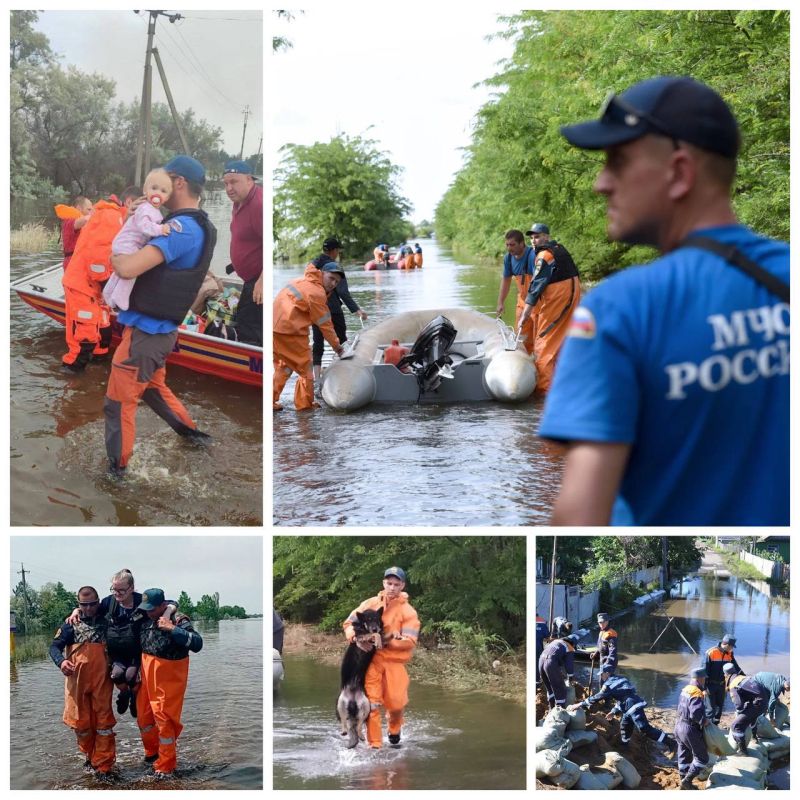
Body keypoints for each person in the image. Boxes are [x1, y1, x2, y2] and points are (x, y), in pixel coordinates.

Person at [538, 76, 789, 526]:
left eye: (618, 162)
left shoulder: (620, 311)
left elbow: (581, 512)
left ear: (679, 173)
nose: (601, 183)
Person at [104, 155, 216, 478]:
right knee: (153, 390)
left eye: (164, 182)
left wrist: (115, 247)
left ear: (178, 183)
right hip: (158, 332)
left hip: (147, 334)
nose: (159, 188)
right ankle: (196, 439)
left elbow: (125, 267)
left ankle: (117, 475)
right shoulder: (197, 225)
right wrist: (139, 216)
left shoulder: (180, 228)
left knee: (118, 403)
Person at [65, 569, 176, 717]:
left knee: (131, 677)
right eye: (114, 590)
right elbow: (89, 607)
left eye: (121, 591)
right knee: (117, 675)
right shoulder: (108, 602)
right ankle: (124, 694)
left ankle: (134, 697)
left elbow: (171, 603)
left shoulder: (141, 601)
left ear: (131, 588)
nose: (117, 594)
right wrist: (75, 611)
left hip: (135, 652)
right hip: (116, 653)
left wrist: (168, 614)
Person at [61, 189, 139, 373]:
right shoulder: (110, 216)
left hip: (96, 285)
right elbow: (98, 258)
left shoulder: (117, 218)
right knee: (84, 337)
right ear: (129, 203)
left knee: (103, 333)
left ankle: (96, 375)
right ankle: (72, 379)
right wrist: (109, 288)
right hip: (83, 284)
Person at [342, 566, 420, 749]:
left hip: (394, 663)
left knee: (396, 704)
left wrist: (391, 640)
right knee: (372, 705)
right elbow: (349, 623)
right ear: (383, 583)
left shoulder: (408, 612)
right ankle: (375, 744)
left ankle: (394, 728)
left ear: (402, 585)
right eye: (389, 583)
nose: (392, 587)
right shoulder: (368, 604)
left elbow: (410, 641)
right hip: (372, 662)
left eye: (396, 584)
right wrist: (355, 639)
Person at [49, 586, 117, 778]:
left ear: (99, 602)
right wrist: (61, 662)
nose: (88, 609)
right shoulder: (70, 624)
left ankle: (104, 767)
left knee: (104, 725)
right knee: (81, 724)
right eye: (83, 605)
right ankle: (89, 754)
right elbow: (54, 647)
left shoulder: (107, 621)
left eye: (92, 604)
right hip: (76, 683)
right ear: (78, 605)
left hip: (102, 683)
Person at [136, 588, 203, 778]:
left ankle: (166, 767)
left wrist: (172, 628)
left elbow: (197, 644)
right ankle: (152, 755)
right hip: (147, 673)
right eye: (146, 608)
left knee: (165, 721)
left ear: (163, 605)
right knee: (144, 718)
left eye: (152, 609)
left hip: (169, 677)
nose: (148, 612)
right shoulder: (145, 617)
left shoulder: (179, 619)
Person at [516, 223, 581, 393]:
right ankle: (566, 386)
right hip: (572, 297)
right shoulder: (559, 249)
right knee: (560, 343)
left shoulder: (544, 255)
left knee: (542, 346)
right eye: (531, 237)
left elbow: (536, 285)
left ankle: (544, 396)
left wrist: (525, 314)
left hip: (559, 299)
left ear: (546, 237)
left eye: (537, 237)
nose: (533, 241)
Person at [273, 261, 345, 411]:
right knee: (306, 370)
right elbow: (325, 325)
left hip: (274, 328)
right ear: (322, 273)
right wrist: (338, 347)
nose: (333, 284)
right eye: (331, 278)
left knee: (284, 366)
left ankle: (270, 400)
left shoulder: (301, 280)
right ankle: (305, 408)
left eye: (336, 282)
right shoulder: (317, 293)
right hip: (290, 332)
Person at [103, 168, 173, 311]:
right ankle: (121, 297)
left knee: (119, 273)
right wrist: (161, 229)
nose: (158, 193)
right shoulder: (145, 208)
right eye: (154, 188)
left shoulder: (154, 211)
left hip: (124, 242)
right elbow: (144, 226)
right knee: (133, 268)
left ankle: (109, 292)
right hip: (128, 243)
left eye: (163, 191)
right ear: (145, 191)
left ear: (167, 197)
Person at [569, 671, 676, 750]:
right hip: (628, 705)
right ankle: (624, 745)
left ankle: (670, 742)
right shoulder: (620, 679)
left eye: (601, 675)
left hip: (632, 705)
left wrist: (580, 704)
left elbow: (597, 697)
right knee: (625, 725)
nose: (601, 677)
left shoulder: (608, 685)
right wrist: (614, 711)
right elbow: (622, 696)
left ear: (607, 673)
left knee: (644, 728)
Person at [310, 237, 368, 382]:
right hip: (333, 309)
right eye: (338, 250)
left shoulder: (312, 265)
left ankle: (316, 378)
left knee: (318, 343)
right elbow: (342, 292)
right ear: (334, 251)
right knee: (341, 341)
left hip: (315, 308)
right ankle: (344, 373)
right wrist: (357, 310)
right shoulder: (335, 268)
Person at [223, 159, 262, 345]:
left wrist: (262, 282)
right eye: (226, 183)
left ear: (249, 179)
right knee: (243, 320)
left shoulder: (258, 204)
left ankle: (253, 367)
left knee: (248, 328)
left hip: (257, 281)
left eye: (234, 182)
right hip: (248, 278)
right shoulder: (238, 202)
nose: (229, 188)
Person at [496, 230, 537, 354]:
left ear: (522, 243)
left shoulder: (532, 256)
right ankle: (524, 360)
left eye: (512, 245)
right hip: (522, 301)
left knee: (539, 337)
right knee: (520, 336)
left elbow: (539, 282)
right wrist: (500, 302)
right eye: (507, 245)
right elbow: (506, 281)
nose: (509, 248)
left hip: (538, 302)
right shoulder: (508, 258)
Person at [674, 667, 711, 790]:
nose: (705, 680)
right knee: (702, 758)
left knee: (684, 754)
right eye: (704, 678)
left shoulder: (686, 689)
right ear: (700, 679)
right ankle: (687, 781)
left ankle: (682, 778)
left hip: (678, 725)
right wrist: (704, 721)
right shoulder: (696, 692)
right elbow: (695, 714)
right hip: (689, 729)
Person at [724, 663, 770, 754]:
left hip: (758, 704)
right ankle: (754, 738)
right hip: (763, 700)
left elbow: (739, 705)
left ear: (726, 675)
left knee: (736, 726)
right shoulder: (743, 677)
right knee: (750, 717)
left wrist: (740, 714)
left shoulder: (733, 684)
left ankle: (743, 751)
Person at [704, 634, 741, 724]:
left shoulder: (730, 654)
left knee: (719, 707)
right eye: (732, 647)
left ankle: (715, 726)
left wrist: (743, 677)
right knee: (710, 709)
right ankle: (707, 730)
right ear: (727, 645)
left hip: (722, 685)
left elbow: (735, 667)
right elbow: (704, 671)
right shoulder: (711, 653)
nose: (732, 649)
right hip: (710, 685)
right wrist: (704, 688)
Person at [538, 633, 579, 709]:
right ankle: (560, 712)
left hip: (541, 661)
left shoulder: (556, 642)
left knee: (550, 688)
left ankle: (551, 708)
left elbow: (556, 657)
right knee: (560, 689)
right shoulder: (569, 647)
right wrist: (571, 677)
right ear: (573, 643)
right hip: (550, 663)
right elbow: (569, 665)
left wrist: (558, 672)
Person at [57, 195, 93, 271]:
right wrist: (99, 216)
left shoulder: (83, 223)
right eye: (89, 210)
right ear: (79, 208)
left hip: (80, 262)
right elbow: (85, 220)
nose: (91, 212)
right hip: (72, 264)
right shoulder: (69, 222)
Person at [535, 614, 549, 683]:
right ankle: (537, 680)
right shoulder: (542, 621)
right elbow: (547, 635)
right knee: (538, 662)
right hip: (538, 646)